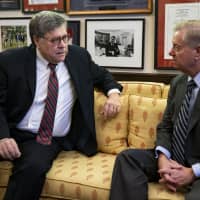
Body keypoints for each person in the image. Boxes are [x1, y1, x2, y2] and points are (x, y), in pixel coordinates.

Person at [0, 11, 122, 200]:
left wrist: (114, 95)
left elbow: (103, 76)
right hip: (11, 129)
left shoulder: (78, 57)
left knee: (32, 167)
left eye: (65, 38)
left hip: (42, 138)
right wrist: (3, 136)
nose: (63, 46)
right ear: (36, 40)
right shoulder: (10, 61)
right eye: (55, 40)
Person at [110, 20, 200, 200]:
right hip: (173, 158)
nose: (170, 52)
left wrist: (192, 172)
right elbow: (165, 125)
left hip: (197, 165)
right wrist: (162, 158)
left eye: (177, 47)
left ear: (198, 52)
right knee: (128, 158)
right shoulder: (179, 83)